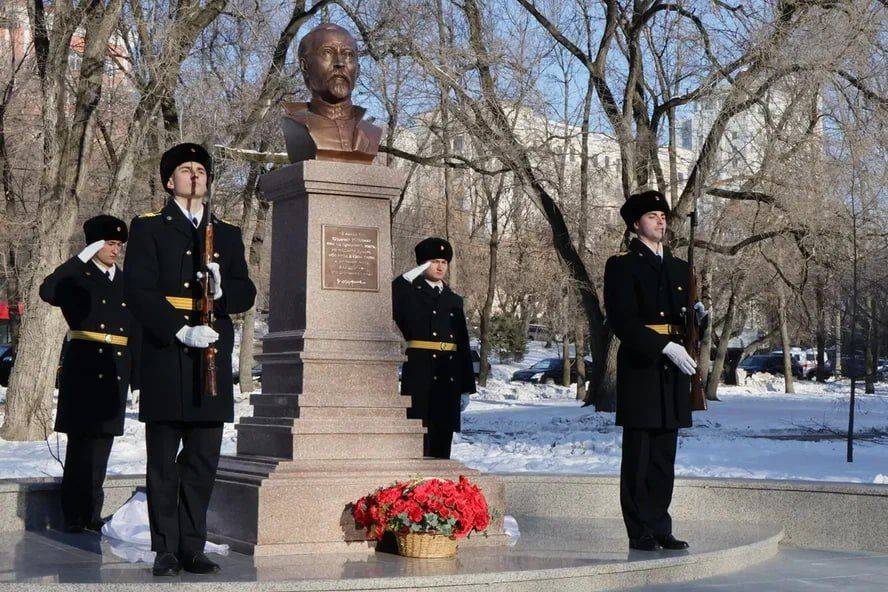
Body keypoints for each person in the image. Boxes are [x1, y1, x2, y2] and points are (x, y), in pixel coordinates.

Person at [123, 143, 256, 576]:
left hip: (212, 352)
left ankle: (192, 545)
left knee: (202, 460)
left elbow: (246, 291)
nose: (195, 175)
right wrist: (178, 328)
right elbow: (138, 290)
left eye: (201, 168)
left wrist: (222, 291)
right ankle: (164, 547)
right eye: (185, 169)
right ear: (169, 180)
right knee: (163, 460)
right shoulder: (148, 228)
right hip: (167, 351)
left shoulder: (227, 232)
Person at [603, 189, 708, 552]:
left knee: (665, 455)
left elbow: (688, 325)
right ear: (636, 225)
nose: (661, 220)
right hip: (643, 367)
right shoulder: (622, 265)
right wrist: (664, 346)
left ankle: (661, 524)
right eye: (652, 216)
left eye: (663, 215)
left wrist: (699, 321)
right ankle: (639, 529)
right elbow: (623, 322)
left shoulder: (680, 269)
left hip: (673, 373)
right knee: (640, 454)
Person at [39, 215, 138, 534]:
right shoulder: (77, 276)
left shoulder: (125, 281)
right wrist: (78, 259)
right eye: (109, 243)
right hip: (83, 368)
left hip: (114, 369)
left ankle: (93, 513)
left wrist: (136, 377)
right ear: (94, 244)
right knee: (80, 444)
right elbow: (48, 290)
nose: (115, 250)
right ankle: (74, 515)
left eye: (118, 245)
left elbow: (134, 328)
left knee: (103, 446)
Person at [391, 237, 476, 459]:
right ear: (422, 264)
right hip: (420, 373)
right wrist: (415, 272)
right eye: (434, 261)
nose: (440, 267)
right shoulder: (408, 293)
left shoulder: (453, 299)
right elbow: (391, 291)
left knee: (442, 441)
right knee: (417, 439)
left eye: (444, 262)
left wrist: (466, 387)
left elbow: (463, 344)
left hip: (448, 377)